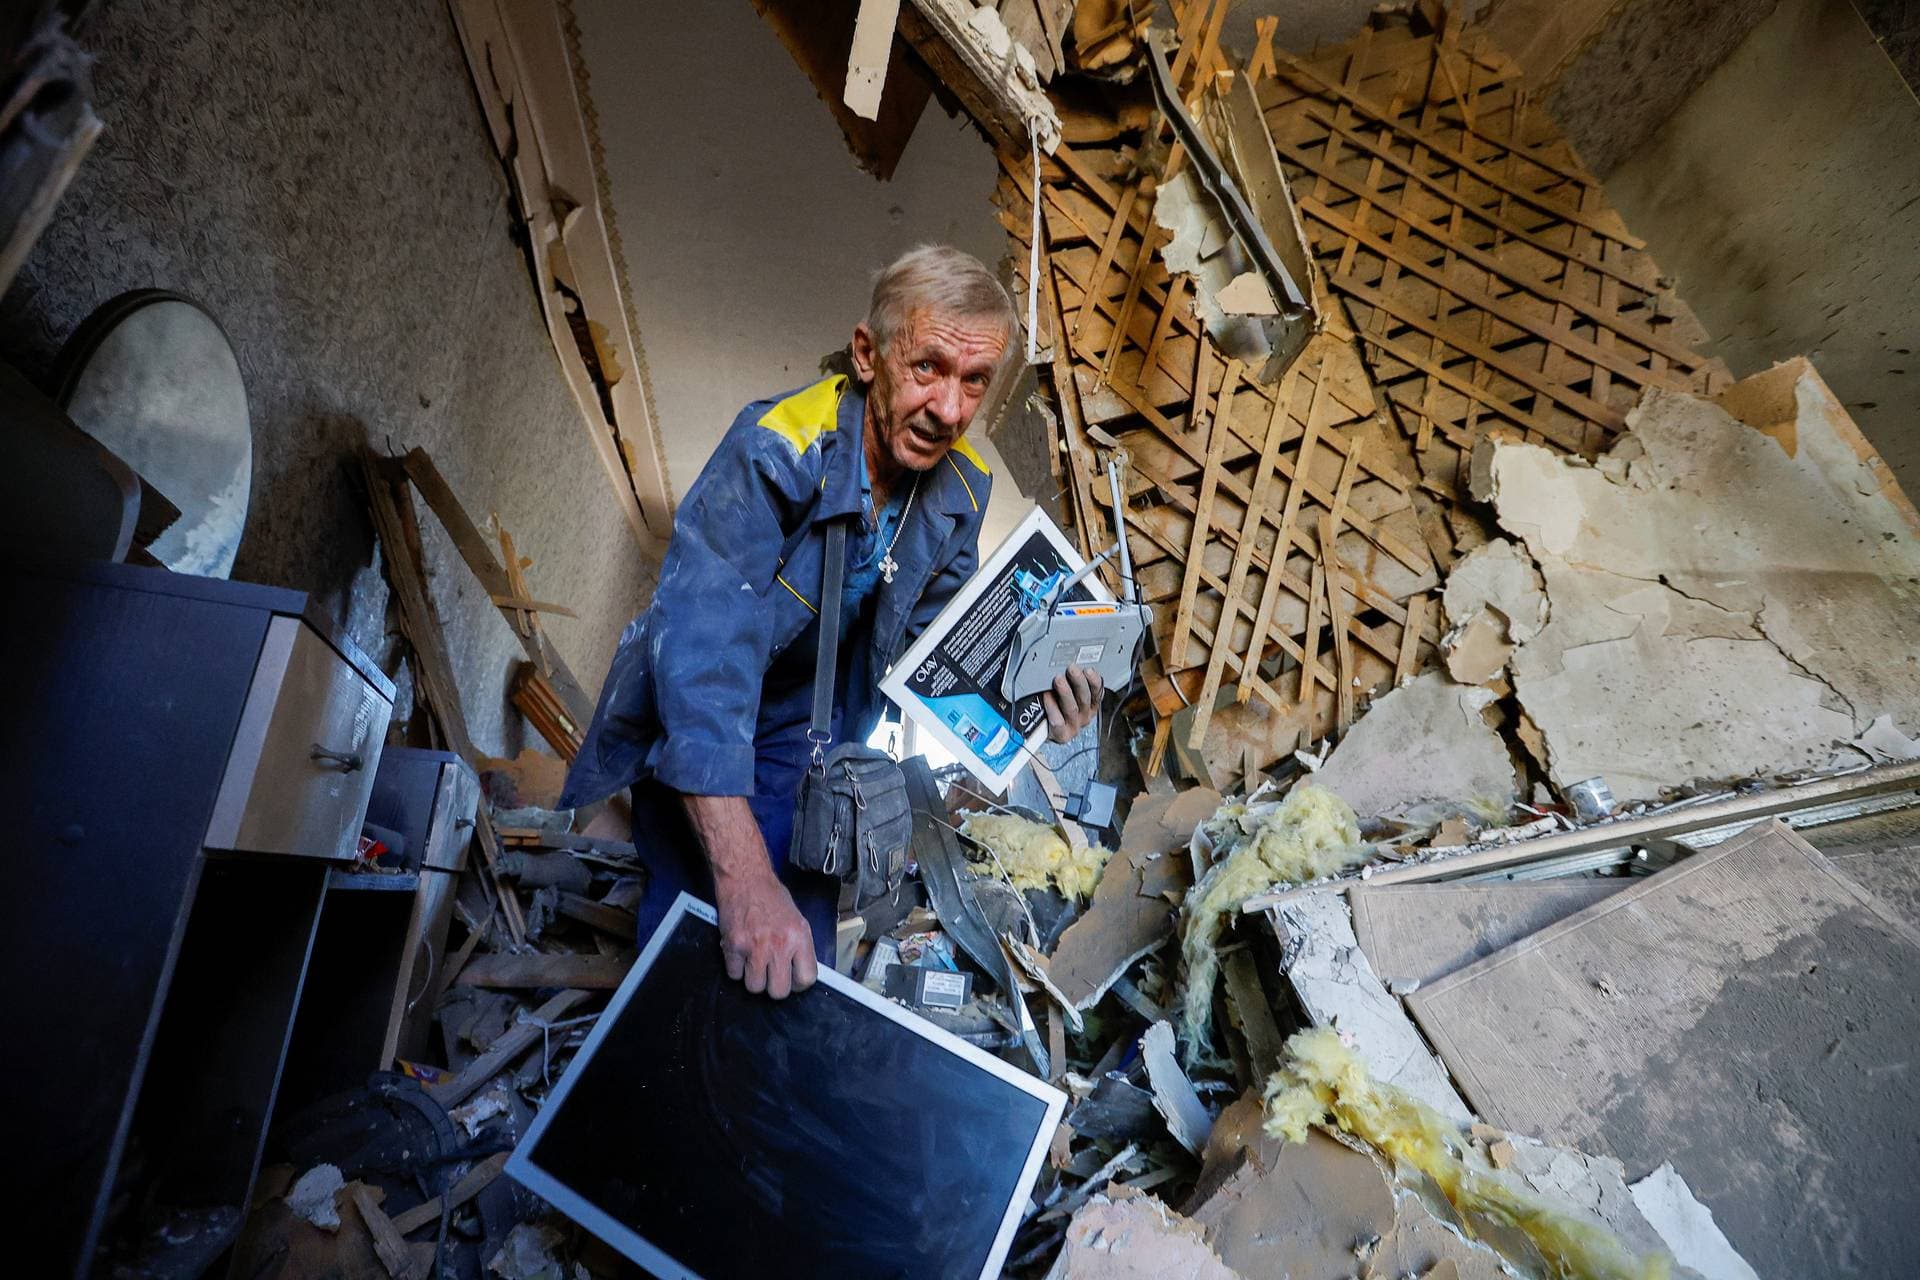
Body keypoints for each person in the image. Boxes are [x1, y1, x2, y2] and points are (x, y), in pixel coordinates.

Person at [560, 245, 1103, 1000]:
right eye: (928, 369)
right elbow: (697, 666)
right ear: (868, 354)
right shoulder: (775, 448)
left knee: (796, 970)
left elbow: (934, 657)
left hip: (809, 745)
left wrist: (1034, 695)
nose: (950, 410)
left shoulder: (962, 492)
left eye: (974, 382)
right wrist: (745, 880)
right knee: (694, 959)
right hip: (709, 720)